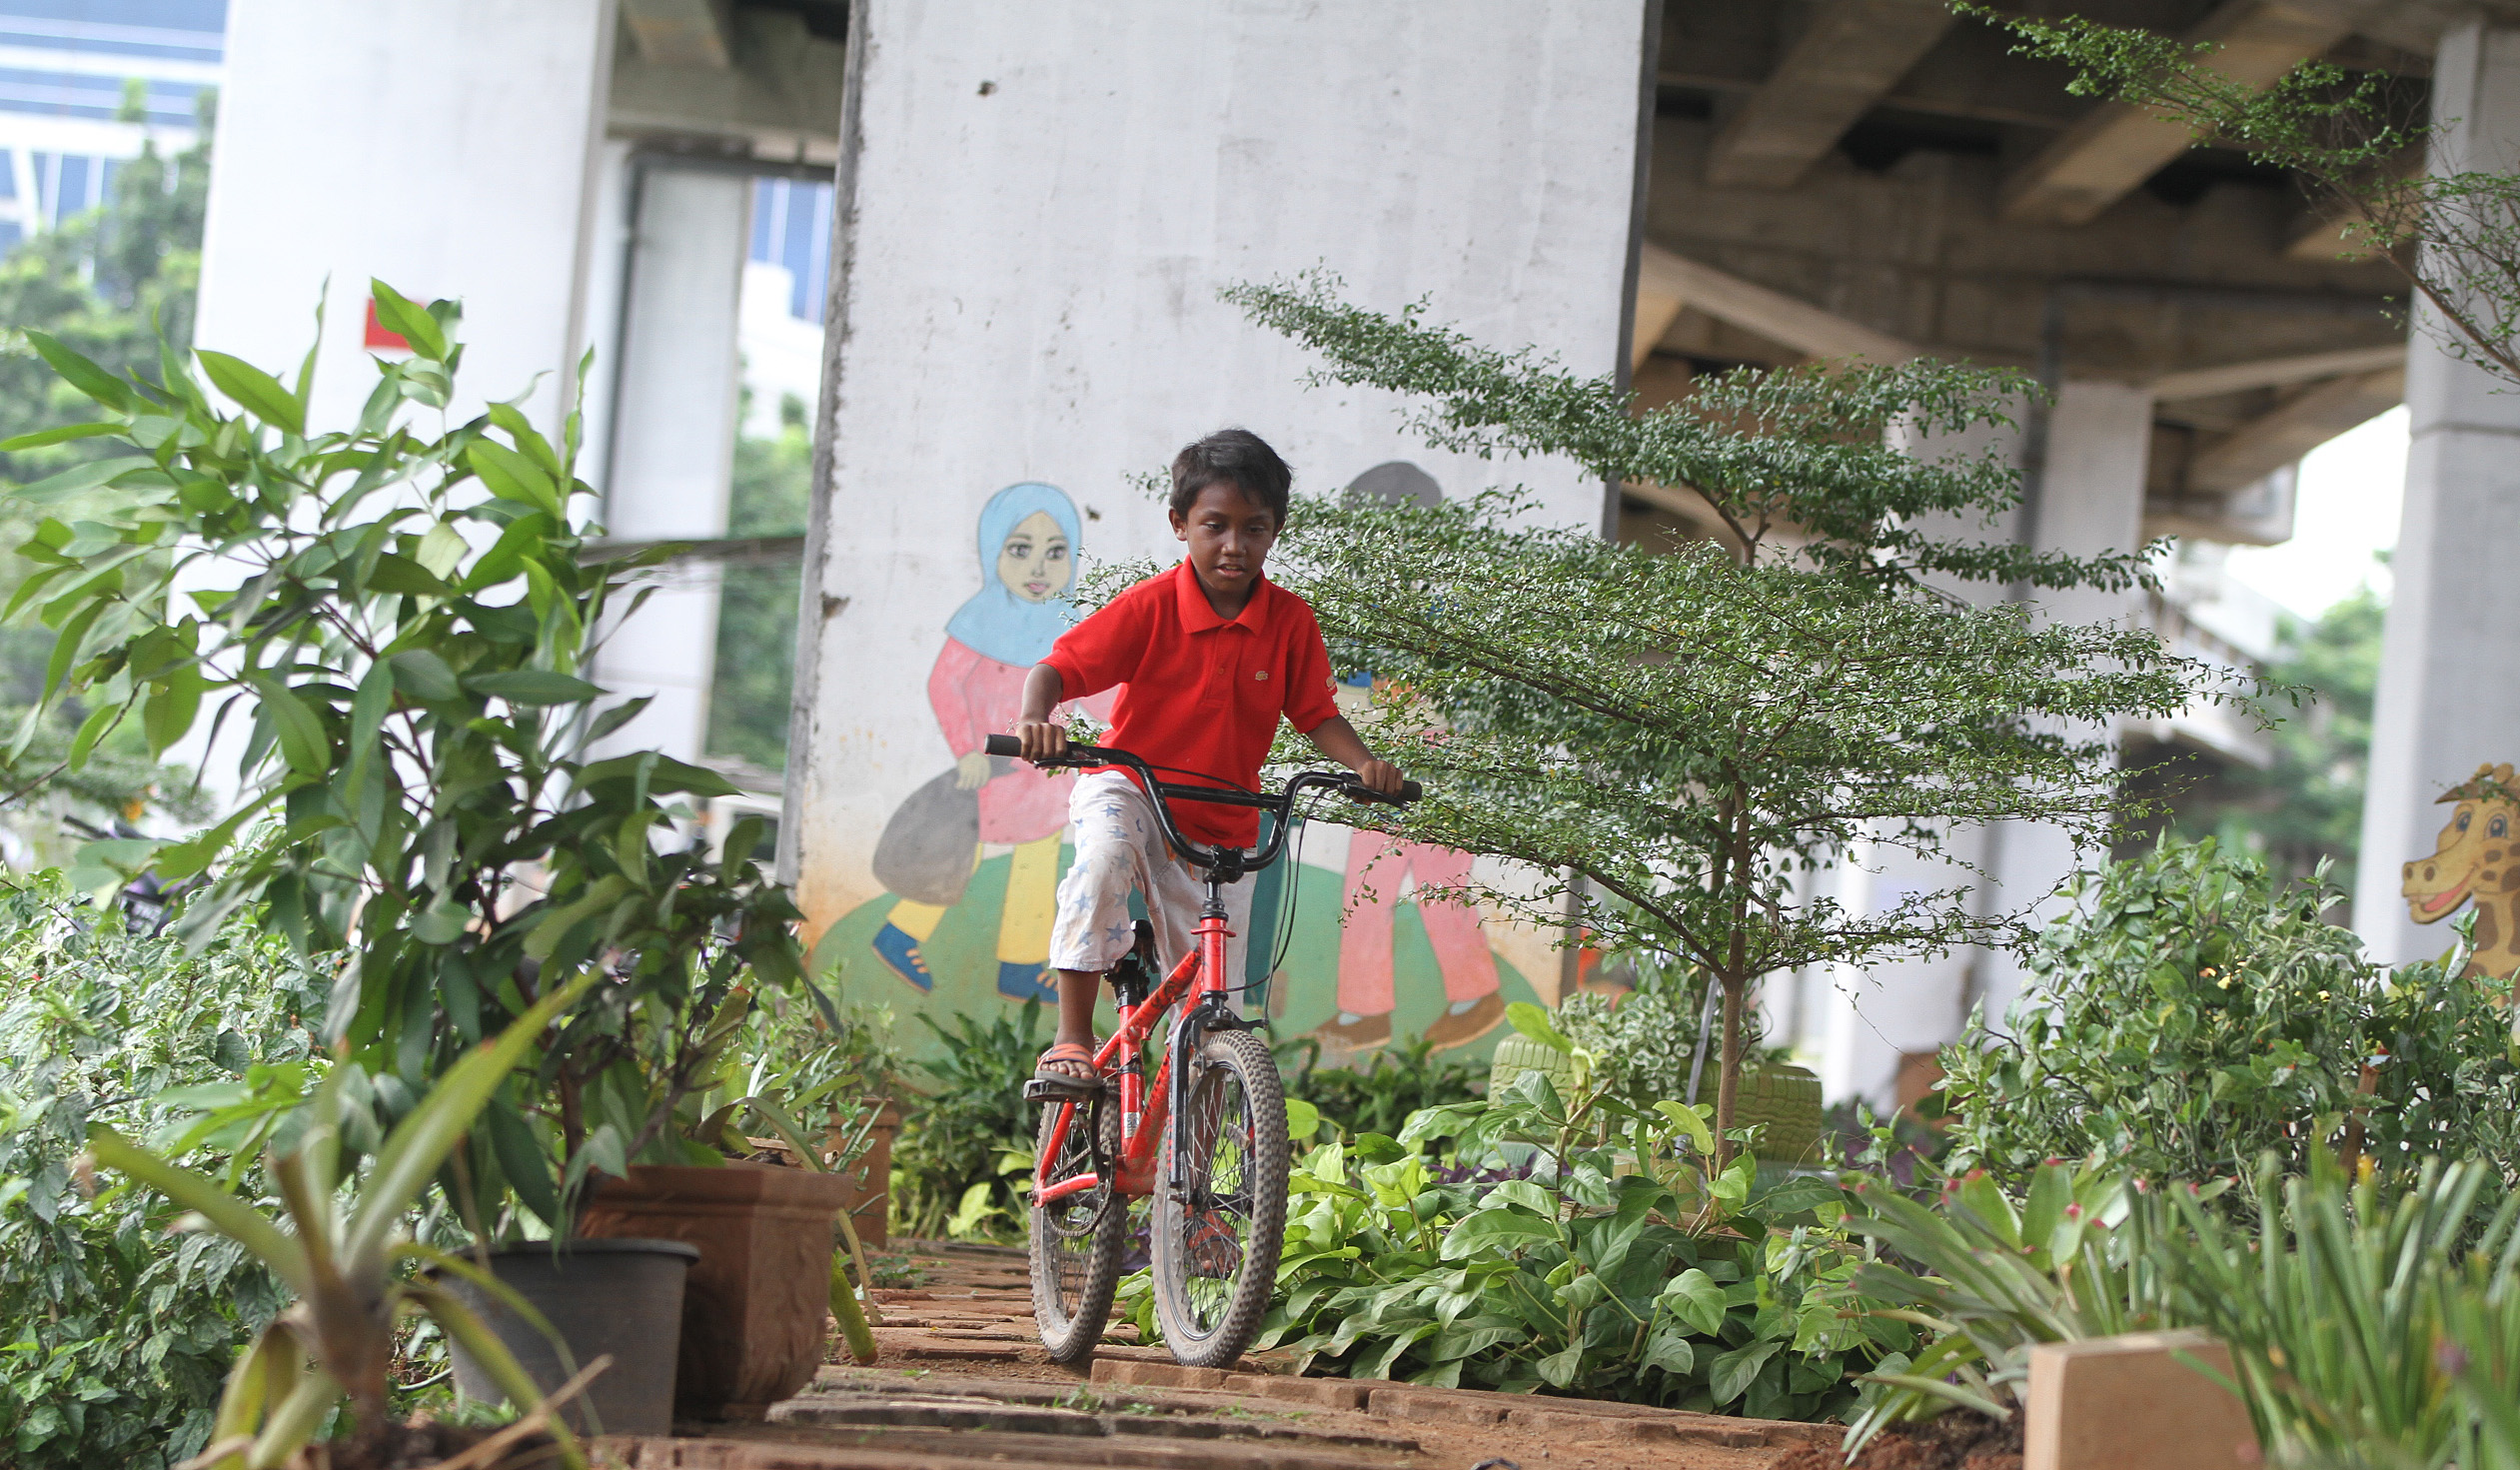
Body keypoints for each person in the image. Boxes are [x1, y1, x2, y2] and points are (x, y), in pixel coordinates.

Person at [1010, 429, 1406, 1083]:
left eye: (1254, 528)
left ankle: (1190, 1166)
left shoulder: (1289, 623)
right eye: (1215, 525)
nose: (1234, 545)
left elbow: (1315, 712)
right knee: (1101, 864)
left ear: (1276, 530)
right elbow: (1055, 671)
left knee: (1212, 1008)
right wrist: (1034, 720)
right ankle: (1072, 1037)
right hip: (1131, 787)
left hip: (1221, 820)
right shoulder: (1151, 607)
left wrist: (1365, 765)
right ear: (1180, 523)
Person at [867, 482, 1112, 1002]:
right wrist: (964, 750)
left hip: (1046, 778)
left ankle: (1021, 964)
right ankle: (901, 931)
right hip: (995, 768)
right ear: (992, 551)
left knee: (1038, 862)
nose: (1039, 568)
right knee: (959, 854)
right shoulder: (979, 621)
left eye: (1056, 551)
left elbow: (1102, 695)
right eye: (1019, 550)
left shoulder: (1074, 627)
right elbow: (944, 685)